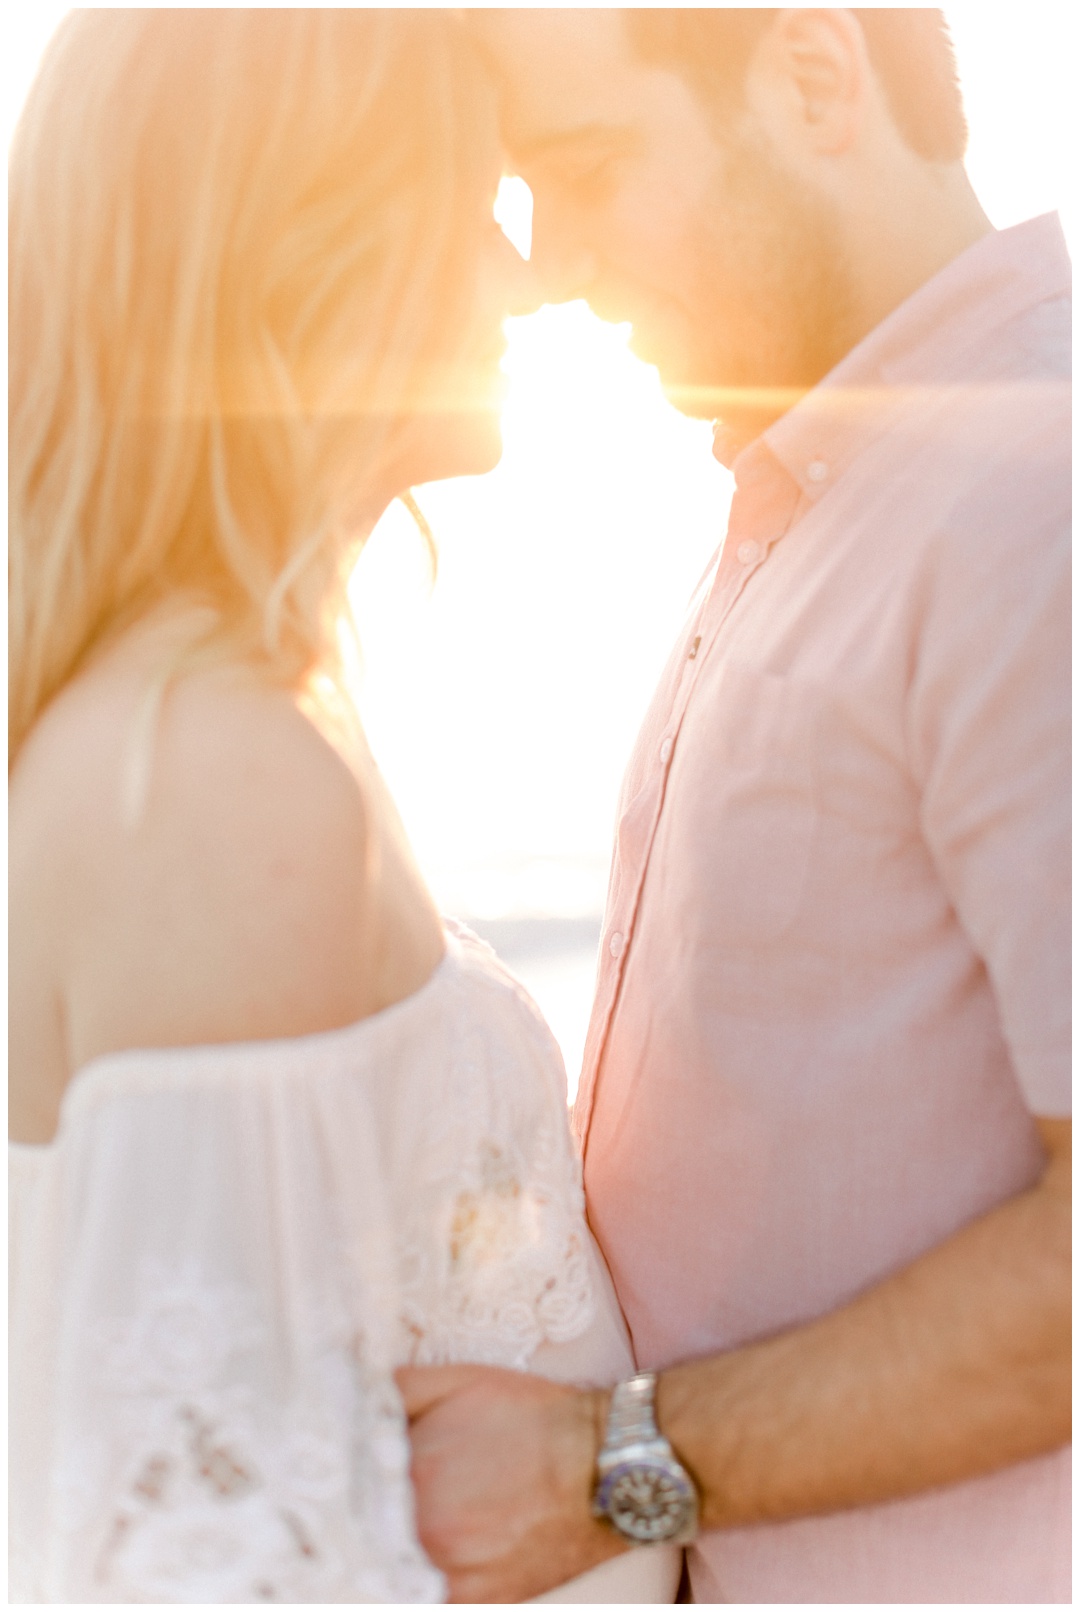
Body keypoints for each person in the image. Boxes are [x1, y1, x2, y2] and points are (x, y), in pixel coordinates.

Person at [7, 11, 684, 1603]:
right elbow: (206, 1570)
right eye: (473, 212)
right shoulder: (215, 782)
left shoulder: (222, 724)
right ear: (306, 253)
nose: (523, 279)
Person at [398, 9, 1071, 1603]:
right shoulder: (835, 492)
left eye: (586, 167)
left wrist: (608, 1470)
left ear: (816, 72)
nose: (551, 262)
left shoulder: (1037, 499)